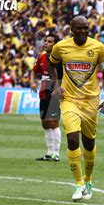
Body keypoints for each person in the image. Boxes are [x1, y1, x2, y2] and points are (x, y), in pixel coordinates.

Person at [48, 16, 104, 201]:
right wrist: (56, 85)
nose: (83, 31)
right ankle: (79, 184)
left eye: (86, 28)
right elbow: (51, 65)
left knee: (89, 143)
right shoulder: (61, 47)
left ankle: (89, 180)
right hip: (69, 99)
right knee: (73, 139)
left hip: (91, 101)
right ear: (71, 29)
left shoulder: (98, 47)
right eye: (79, 28)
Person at [30, 34, 63, 162]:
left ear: (55, 45)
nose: (46, 43)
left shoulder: (60, 59)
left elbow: (65, 75)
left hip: (54, 91)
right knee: (45, 123)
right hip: (43, 91)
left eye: (49, 41)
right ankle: (49, 152)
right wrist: (32, 82)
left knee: (53, 122)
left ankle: (56, 153)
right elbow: (34, 70)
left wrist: (60, 88)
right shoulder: (42, 56)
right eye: (45, 41)